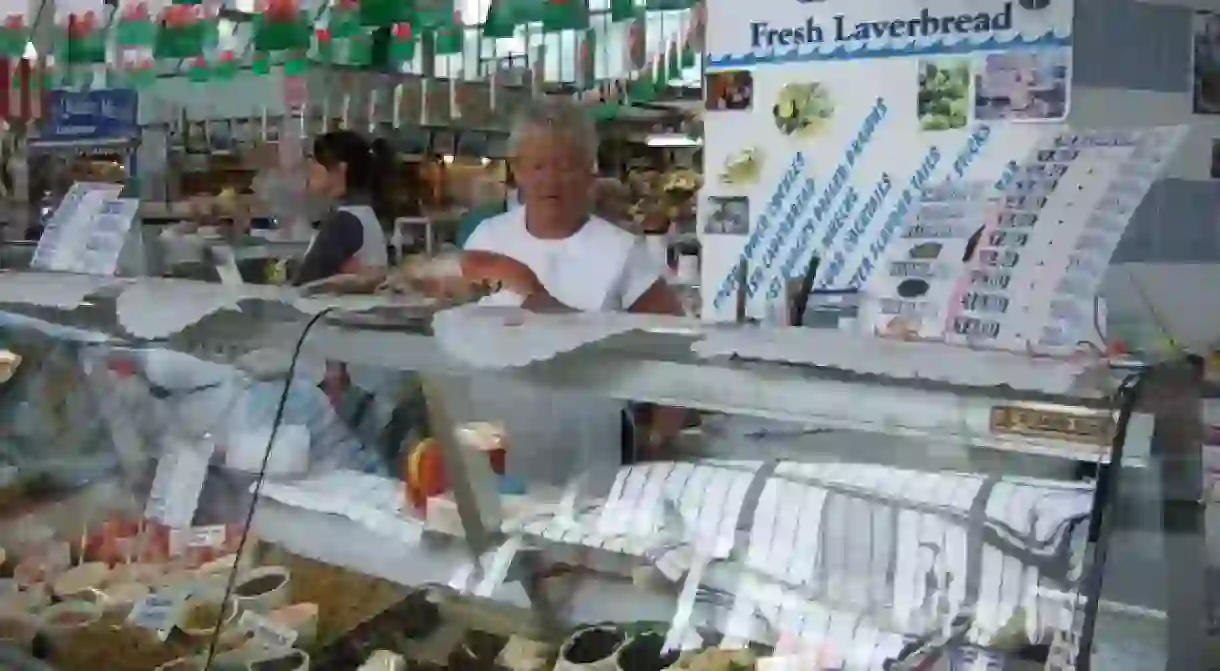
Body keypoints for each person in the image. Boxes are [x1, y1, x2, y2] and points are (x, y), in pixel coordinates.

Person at [442, 97, 687, 487]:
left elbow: (677, 347)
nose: (551, 180)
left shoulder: (621, 250)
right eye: (538, 166)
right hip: (494, 437)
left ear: (590, 170)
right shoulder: (488, 237)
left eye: (566, 165)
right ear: (518, 171)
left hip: (586, 448)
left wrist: (657, 440)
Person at [293, 131, 392, 286]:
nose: (310, 168)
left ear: (340, 169)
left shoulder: (343, 223)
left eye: (315, 161)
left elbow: (301, 284)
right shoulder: (361, 213)